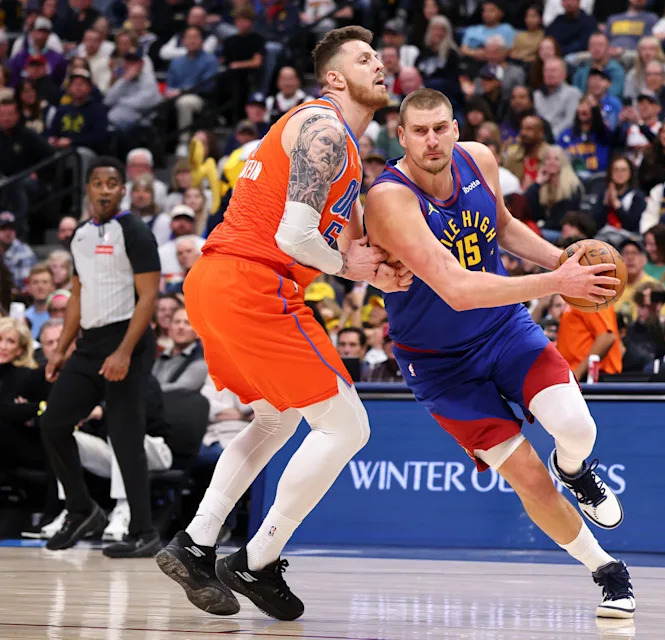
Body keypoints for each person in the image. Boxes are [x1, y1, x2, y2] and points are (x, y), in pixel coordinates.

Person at [156, 28, 410, 622]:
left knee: (277, 419)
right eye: (364, 58)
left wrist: (368, 272)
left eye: (380, 56)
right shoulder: (323, 128)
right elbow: (294, 238)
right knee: (348, 426)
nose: (380, 64)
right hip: (252, 280)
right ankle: (258, 560)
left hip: (219, 280)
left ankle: (195, 543)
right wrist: (352, 265)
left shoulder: (339, 140)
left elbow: (316, 239)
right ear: (334, 78)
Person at [365, 88, 635, 619]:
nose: (432, 139)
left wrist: (566, 264)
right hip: (441, 364)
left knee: (578, 430)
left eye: (440, 127)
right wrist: (556, 280)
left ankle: (576, 469)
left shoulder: (481, 160)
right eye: (419, 131)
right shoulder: (389, 198)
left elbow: (505, 228)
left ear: (456, 128)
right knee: (529, 477)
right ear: (401, 137)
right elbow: (457, 289)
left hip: (504, 330)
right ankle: (606, 570)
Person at [38, 157, 161, 558]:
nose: (105, 190)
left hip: (128, 340)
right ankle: (81, 509)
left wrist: (124, 351)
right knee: (53, 422)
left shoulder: (136, 232)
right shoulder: (78, 237)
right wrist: (60, 350)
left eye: (112, 183)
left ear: (123, 190)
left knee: (125, 437)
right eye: (97, 183)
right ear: (87, 189)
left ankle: (143, 531)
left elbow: (149, 298)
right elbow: (77, 296)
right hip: (89, 345)